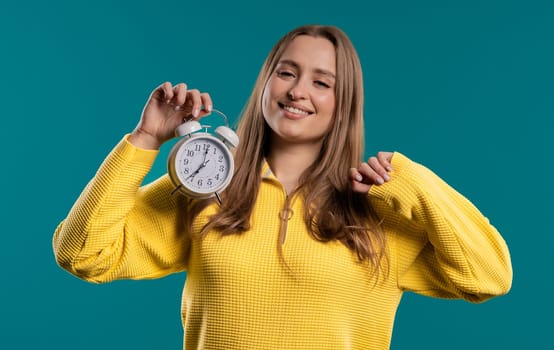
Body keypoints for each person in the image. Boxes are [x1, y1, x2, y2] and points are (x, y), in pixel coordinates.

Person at [53, 24, 512, 350]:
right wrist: (146, 138)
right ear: (266, 83)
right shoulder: (208, 186)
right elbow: (83, 253)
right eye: (287, 72)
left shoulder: (380, 212)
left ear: (344, 102)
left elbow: (490, 276)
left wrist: (411, 180)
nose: (297, 91)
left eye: (322, 82)